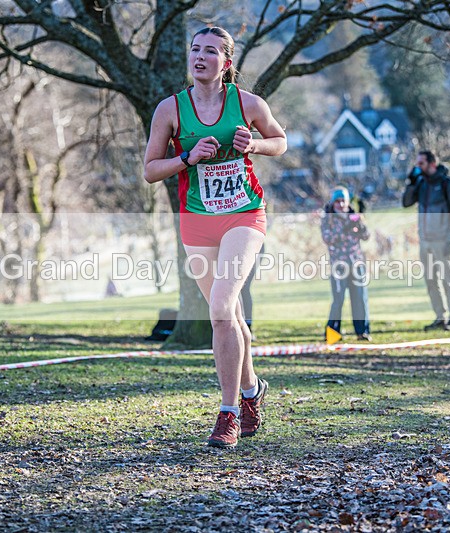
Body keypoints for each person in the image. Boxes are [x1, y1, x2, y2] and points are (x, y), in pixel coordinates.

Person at [143, 26, 287, 447]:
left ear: (227, 62)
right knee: (230, 316)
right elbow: (151, 170)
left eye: (210, 51)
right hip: (198, 220)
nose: (199, 57)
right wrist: (186, 158)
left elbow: (280, 140)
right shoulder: (169, 110)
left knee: (222, 306)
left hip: (244, 214)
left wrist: (254, 145)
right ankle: (251, 391)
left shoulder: (248, 103)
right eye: (194, 50)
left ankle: (227, 415)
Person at [402, 151, 450, 332]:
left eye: (421, 163)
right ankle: (439, 317)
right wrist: (411, 183)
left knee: (448, 280)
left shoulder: (447, 184)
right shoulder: (421, 184)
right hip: (425, 241)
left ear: (432, 164)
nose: (417, 167)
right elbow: (406, 203)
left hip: (443, 240)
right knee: (431, 281)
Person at [321, 187, 372, 342]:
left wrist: (361, 226)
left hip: (357, 264)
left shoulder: (354, 216)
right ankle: (332, 333)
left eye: (343, 200)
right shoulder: (328, 218)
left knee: (360, 298)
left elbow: (366, 236)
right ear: (333, 202)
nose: (341, 204)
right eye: (337, 201)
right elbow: (327, 238)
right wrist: (345, 228)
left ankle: (362, 331)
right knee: (338, 300)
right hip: (339, 265)